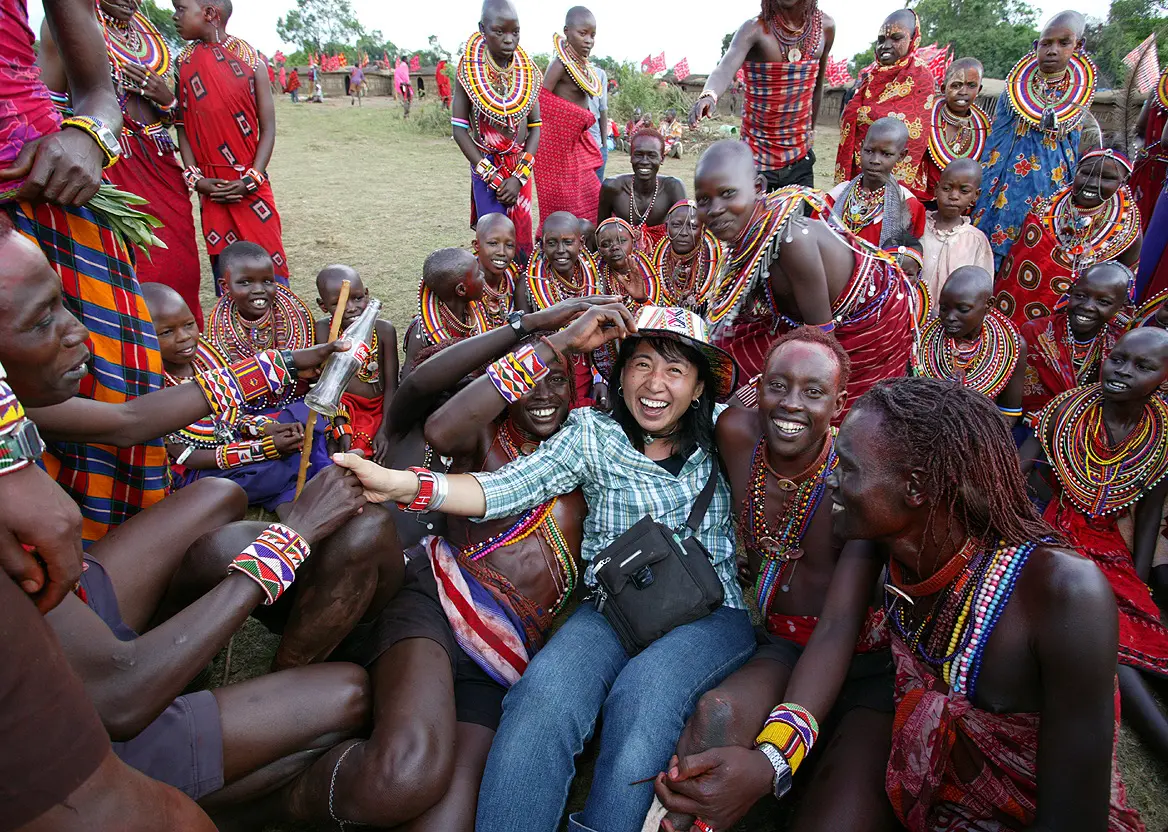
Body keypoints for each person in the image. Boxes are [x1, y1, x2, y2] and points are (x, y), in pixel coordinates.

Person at [333, 305, 756, 832]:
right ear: (621, 375)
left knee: (642, 699)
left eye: (675, 370)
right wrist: (406, 485)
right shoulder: (589, 434)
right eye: (642, 364)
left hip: (710, 613)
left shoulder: (725, 437)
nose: (655, 383)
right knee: (540, 698)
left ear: (697, 389)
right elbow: (506, 487)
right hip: (614, 608)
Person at [322, 304, 600, 830]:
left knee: (445, 822)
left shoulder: (593, 451)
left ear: (576, 390)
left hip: (502, 660)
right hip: (429, 610)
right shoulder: (482, 437)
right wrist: (546, 340)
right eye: (531, 379)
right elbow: (439, 421)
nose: (542, 395)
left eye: (557, 382)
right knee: (403, 768)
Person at [835, 377, 1143, 832]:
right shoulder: (884, 541)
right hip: (909, 746)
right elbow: (829, 638)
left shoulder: (1062, 592)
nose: (831, 480)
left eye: (846, 467)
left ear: (916, 487)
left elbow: (1072, 817)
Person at [0, 246, 218, 831]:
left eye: (65, 308)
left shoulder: (28, 410)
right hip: (97, 718)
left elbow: (128, 423)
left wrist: (273, 371)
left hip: (76, 631)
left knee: (218, 496)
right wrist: (291, 541)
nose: (82, 337)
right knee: (359, 708)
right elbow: (117, 697)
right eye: (43, 320)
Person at [650, 328, 896, 832]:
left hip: (862, 664)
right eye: (778, 385)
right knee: (715, 714)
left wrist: (774, 759)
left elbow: (839, 627)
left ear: (839, 403)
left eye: (813, 392)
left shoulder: (855, 482)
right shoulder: (737, 436)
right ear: (757, 386)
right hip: (781, 643)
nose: (790, 405)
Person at [2, 0, 168, 544]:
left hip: (53, 193)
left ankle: (122, 555)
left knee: (112, 379)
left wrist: (89, 135)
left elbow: (98, 92)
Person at [1024, 328, 1168, 763]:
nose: (1123, 371)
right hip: (1055, 531)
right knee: (1105, 642)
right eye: (1119, 358)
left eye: (1143, 366)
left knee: (1141, 628)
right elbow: (1015, 470)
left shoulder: (1161, 433)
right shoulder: (1068, 410)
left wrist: (1139, 587)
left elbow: (1147, 517)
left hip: (1109, 543)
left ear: (1164, 377)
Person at [696, 141, 914, 411]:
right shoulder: (749, 235)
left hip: (869, 320)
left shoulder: (791, 241)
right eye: (704, 200)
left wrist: (762, 387)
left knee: (812, 411)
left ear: (758, 188)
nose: (716, 209)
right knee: (723, 354)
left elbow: (824, 345)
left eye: (728, 193)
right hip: (810, 322)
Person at [37, 0, 204, 327]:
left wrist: (164, 98)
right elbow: (48, 107)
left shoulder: (146, 32)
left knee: (181, 263)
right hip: (110, 165)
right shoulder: (65, 21)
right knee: (132, 271)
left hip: (160, 163)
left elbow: (172, 117)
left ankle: (184, 351)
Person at [144, 282, 311, 505]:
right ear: (142, 337)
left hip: (232, 441)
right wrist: (266, 448)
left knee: (304, 418)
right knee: (261, 475)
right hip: (204, 466)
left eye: (189, 324)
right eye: (166, 332)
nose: (184, 337)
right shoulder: (151, 387)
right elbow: (189, 457)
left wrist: (269, 428)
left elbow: (231, 417)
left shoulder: (207, 358)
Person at [173, 0, 289, 288]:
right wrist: (196, 179)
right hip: (211, 188)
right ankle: (234, 331)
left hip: (251, 183)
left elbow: (268, 128)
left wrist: (252, 178)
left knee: (269, 264)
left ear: (210, 14)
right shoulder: (182, 63)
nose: (175, 17)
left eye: (181, 9)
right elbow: (182, 127)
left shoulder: (251, 60)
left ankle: (282, 327)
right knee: (227, 271)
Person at [973, 11, 1101, 271]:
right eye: (1046, 43)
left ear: (1079, 46)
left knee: (1032, 250)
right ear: (1035, 47)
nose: (1052, 51)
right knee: (985, 250)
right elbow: (996, 140)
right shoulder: (1014, 90)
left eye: (1063, 43)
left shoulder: (1079, 95)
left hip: (1048, 186)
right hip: (1001, 187)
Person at [692, 0, 836, 191]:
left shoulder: (824, 28)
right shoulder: (753, 29)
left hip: (799, 160)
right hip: (756, 162)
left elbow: (817, 86)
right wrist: (709, 95)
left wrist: (810, 131)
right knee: (755, 221)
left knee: (801, 221)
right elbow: (725, 67)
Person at [993, 148, 1141, 329]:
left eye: (1107, 178)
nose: (1092, 183)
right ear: (1076, 170)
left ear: (1123, 181)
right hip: (1013, 305)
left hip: (1077, 320)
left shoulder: (1125, 230)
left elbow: (1124, 287)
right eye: (1085, 173)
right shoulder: (1045, 210)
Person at [453, 0, 542, 262]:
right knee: (493, 238)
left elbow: (536, 128)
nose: (508, 40)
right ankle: (491, 296)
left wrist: (518, 178)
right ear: (482, 29)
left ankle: (523, 296)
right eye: (499, 32)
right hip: (486, 169)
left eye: (515, 32)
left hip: (519, 170)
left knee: (521, 239)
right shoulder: (468, 71)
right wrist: (491, 177)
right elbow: (459, 130)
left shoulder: (527, 73)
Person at [835, 10, 935, 199]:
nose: (885, 46)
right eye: (881, 39)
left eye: (896, 38)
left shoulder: (920, 76)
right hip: (860, 172)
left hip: (892, 179)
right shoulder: (872, 77)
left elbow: (914, 137)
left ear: (914, 39)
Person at [1018, 261, 1131, 425]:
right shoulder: (1036, 332)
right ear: (1070, 293)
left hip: (1087, 431)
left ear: (1120, 307)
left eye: (1103, 302)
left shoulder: (1119, 343)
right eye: (1080, 296)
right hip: (1031, 425)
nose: (1088, 306)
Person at [913, 266, 1026, 425]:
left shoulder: (1012, 348)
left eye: (963, 309)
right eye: (944, 308)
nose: (950, 317)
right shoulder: (924, 337)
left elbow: (1009, 412)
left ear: (989, 305)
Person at [315, 266, 398, 461]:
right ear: (323, 306)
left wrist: (385, 430)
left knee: (385, 452)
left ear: (367, 294)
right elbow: (329, 387)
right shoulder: (322, 331)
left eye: (358, 298)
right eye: (339, 303)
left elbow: (392, 387)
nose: (351, 308)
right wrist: (340, 426)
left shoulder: (384, 331)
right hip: (343, 409)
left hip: (381, 408)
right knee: (336, 451)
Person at [525, 211, 607, 406]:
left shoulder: (594, 282)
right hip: (547, 375)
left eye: (568, 242)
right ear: (541, 245)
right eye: (552, 243)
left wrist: (600, 379)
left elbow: (601, 338)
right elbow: (526, 344)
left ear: (582, 243)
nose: (560, 250)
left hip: (588, 372)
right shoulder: (529, 285)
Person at [534, 6, 604, 229]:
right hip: (560, 149)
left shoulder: (582, 67)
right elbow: (542, 99)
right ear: (566, 31)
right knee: (565, 203)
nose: (588, 40)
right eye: (582, 34)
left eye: (592, 35)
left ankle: (587, 248)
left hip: (578, 143)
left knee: (593, 195)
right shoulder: (559, 64)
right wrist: (573, 117)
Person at [825, 117, 926, 249]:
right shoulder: (836, 196)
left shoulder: (908, 204)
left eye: (886, 154)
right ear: (860, 148)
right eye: (869, 151)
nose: (875, 160)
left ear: (901, 156)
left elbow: (912, 251)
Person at [597, 127, 686, 252]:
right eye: (639, 155)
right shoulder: (612, 187)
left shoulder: (672, 188)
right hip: (621, 257)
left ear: (662, 159)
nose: (644, 161)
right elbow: (601, 231)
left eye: (651, 155)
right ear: (631, 157)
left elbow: (685, 232)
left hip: (662, 258)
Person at [403, 247, 489, 376]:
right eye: (478, 273)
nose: (483, 275)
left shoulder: (473, 315)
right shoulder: (420, 332)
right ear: (461, 290)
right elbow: (409, 379)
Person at [920, 158, 993, 309]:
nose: (954, 196)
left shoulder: (976, 241)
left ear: (976, 195)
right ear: (936, 189)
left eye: (964, 191)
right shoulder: (917, 225)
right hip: (910, 316)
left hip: (951, 321)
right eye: (947, 188)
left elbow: (981, 289)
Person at [923, 58, 991, 197]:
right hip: (924, 200)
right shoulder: (924, 119)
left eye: (971, 85)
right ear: (943, 88)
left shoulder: (985, 129)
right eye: (956, 85)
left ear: (979, 89)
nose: (963, 92)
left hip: (961, 206)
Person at [652, 199, 725, 315]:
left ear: (703, 230)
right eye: (676, 225)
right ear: (666, 228)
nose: (684, 232)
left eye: (693, 227)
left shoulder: (719, 268)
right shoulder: (654, 264)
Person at [595, 217, 662, 313]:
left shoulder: (647, 273)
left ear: (633, 243)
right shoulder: (596, 275)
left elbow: (657, 314)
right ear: (600, 251)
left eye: (621, 241)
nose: (614, 247)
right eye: (606, 245)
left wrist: (642, 299)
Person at [1130, 65, 1168, 234]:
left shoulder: (1159, 86)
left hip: (1146, 168)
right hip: (1155, 173)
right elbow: (1165, 141)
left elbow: (1138, 130)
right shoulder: (1159, 88)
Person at [476, 212, 523, 327]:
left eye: (509, 245)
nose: (502, 252)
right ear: (476, 245)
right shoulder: (463, 283)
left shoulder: (517, 282)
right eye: (493, 243)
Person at [587, 61, 609, 180]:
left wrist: (604, 146)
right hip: (573, 146)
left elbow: (603, 110)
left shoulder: (599, 74)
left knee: (596, 192)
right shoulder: (561, 69)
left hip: (596, 143)